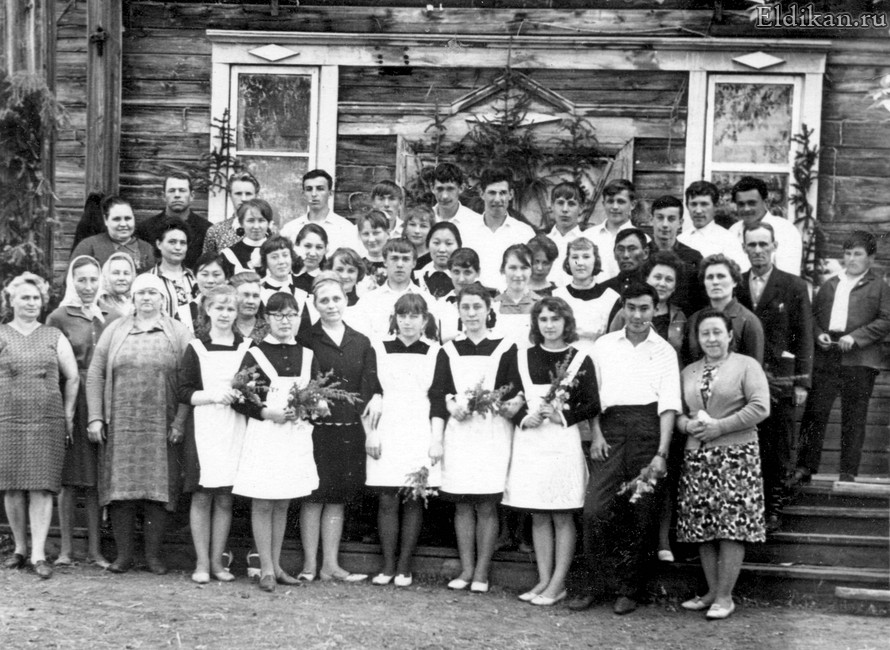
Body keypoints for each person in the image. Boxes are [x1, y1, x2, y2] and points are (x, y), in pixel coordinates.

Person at [569, 281, 680, 615]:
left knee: (641, 510)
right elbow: (593, 395)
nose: (637, 315)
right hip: (611, 429)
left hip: (648, 430)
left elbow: (669, 405)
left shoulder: (665, 351)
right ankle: (594, 585)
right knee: (595, 508)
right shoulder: (604, 345)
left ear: (655, 310)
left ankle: (630, 589)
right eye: (631, 308)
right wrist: (597, 435)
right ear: (623, 309)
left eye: (644, 308)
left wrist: (661, 453)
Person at [86, 273, 193, 575]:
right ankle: (124, 556)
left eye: (153, 293)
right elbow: (95, 374)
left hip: (162, 424)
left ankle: (153, 557)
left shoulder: (178, 331)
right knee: (121, 490)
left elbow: (189, 378)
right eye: (141, 292)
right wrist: (95, 417)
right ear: (133, 298)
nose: (147, 297)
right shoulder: (115, 329)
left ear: (163, 299)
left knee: (158, 490)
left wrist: (180, 421)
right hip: (121, 424)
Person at [502, 297, 599, 606]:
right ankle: (544, 580)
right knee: (539, 514)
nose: (549, 325)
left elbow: (593, 404)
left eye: (555, 319)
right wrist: (522, 417)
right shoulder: (521, 356)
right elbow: (506, 398)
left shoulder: (580, 358)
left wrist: (562, 416)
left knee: (561, 513)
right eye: (543, 319)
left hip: (562, 444)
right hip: (531, 443)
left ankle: (558, 583)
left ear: (566, 322)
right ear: (536, 323)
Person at [676, 310, 770, 620]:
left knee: (731, 525)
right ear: (697, 338)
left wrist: (721, 427)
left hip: (736, 456)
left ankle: (726, 597)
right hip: (698, 455)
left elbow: (760, 407)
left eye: (717, 332)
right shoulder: (688, 371)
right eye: (705, 333)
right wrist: (687, 426)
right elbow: (678, 412)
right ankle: (713, 592)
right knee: (702, 526)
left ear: (730, 335)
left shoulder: (747, 365)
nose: (711, 339)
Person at [429, 283, 519, 593]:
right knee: (463, 504)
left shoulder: (506, 346)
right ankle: (466, 569)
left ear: (488, 309)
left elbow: (513, 389)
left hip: (493, 432)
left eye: (477, 307)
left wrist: (496, 402)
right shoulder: (448, 349)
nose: (471, 313)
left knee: (486, 504)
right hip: (460, 433)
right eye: (465, 307)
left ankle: (482, 571)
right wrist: (452, 405)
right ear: (458, 310)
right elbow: (440, 392)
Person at [231, 292, 320, 591]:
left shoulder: (307, 355)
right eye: (278, 315)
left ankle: (277, 565)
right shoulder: (255, 353)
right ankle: (266, 569)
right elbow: (239, 398)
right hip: (265, 434)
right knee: (263, 500)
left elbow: (316, 395)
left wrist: (307, 409)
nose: (285, 321)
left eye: (291, 315)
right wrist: (267, 412)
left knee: (282, 501)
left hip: (293, 436)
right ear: (267, 318)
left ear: (298, 318)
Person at [299, 272, 383, 583]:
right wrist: (313, 398)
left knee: (336, 498)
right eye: (324, 300)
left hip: (349, 430)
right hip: (316, 430)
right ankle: (309, 565)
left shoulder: (361, 341)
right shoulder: (306, 339)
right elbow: (301, 380)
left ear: (346, 300)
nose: (331, 305)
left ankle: (330, 565)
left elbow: (369, 385)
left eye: (336, 298)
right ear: (315, 304)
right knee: (313, 497)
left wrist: (374, 401)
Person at [793, 230, 890, 483]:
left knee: (854, 417)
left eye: (858, 254)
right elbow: (812, 317)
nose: (851, 259)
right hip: (828, 355)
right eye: (848, 254)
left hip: (860, 359)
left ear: (871, 258)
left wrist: (856, 337)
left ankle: (848, 472)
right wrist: (819, 335)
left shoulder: (880, 287)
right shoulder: (830, 284)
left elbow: (886, 320)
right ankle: (805, 467)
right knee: (815, 411)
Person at [0, 273, 79, 579]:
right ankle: (20, 549)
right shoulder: (2, 334)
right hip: (7, 419)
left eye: (36, 298)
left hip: (47, 420)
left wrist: (68, 414)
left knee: (42, 486)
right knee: (12, 486)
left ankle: (38, 554)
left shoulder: (53, 336)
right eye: (25, 297)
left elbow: (72, 376)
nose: (31, 303)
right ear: (12, 300)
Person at [736, 222, 813, 527]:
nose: (758, 250)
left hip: (780, 378)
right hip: (743, 375)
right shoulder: (737, 284)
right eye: (752, 245)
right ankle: (748, 505)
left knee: (778, 442)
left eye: (763, 244)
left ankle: (773, 507)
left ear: (774, 246)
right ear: (744, 248)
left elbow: (804, 334)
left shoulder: (793, 286)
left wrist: (802, 382)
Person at [178, 285, 252, 584]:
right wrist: (212, 395)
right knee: (201, 496)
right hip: (204, 428)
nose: (224, 314)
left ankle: (218, 562)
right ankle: (201, 564)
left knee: (224, 498)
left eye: (230, 308)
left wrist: (241, 395)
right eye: (219, 308)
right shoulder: (196, 347)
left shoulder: (247, 347)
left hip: (235, 427)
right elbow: (184, 391)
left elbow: (255, 390)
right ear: (207, 310)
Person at [365, 294, 440, 587]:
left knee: (413, 497)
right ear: (395, 318)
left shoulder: (435, 351)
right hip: (387, 426)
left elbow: (437, 397)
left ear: (424, 320)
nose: (408, 322)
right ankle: (387, 566)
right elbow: (372, 390)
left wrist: (435, 439)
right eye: (403, 315)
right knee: (387, 498)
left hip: (419, 428)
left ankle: (404, 567)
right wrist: (372, 432)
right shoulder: (379, 347)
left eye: (414, 316)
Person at [47, 257, 115, 569]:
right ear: (72, 282)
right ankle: (65, 549)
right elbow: (51, 361)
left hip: (101, 399)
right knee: (68, 478)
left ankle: (95, 551)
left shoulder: (112, 316)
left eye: (93, 280)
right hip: (70, 398)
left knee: (95, 479)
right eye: (81, 280)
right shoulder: (59, 316)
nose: (88, 287)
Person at [462, 167, 536, 289]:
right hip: (473, 297)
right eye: (492, 193)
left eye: (503, 193)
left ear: (511, 195)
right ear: (481, 194)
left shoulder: (525, 233)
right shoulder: (465, 230)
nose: (497, 199)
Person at [686, 254, 764, 365]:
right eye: (710, 277)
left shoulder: (748, 321)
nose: (715, 282)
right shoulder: (694, 320)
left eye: (721, 276)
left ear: (734, 281)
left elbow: (754, 367)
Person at [352, 238, 434, 343]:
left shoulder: (427, 299)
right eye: (394, 258)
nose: (399, 264)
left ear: (414, 263)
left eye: (405, 259)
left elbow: (431, 338)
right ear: (385, 261)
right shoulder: (368, 300)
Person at [610, 251, 687, 354]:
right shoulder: (625, 313)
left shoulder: (679, 317)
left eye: (669, 279)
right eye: (657, 277)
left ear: (675, 287)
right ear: (646, 279)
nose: (662, 283)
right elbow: (610, 345)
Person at [553, 237, 620, 354]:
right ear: (568, 262)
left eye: (586, 257)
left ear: (595, 261)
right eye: (575, 257)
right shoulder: (557, 296)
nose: (580, 263)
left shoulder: (611, 297)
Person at [728, 176, 802, 276]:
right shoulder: (733, 230)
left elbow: (788, 278)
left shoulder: (785, 230)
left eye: (752, 203)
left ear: (766, 202)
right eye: (741, 204)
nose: (746, 209)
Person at [136, 171, 209, 269]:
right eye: (172, 190)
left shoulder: (206, 229)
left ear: (192, 196)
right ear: (163, 196)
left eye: (182, 190)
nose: (177, 195)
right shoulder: (145, 228)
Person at [649, 195, 706, 314]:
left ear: (680, 223)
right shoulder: (641, 254)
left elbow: (700, 300)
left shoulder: (693, 258)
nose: (665, 224)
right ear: (651, 219)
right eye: (660, 218)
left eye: (671, 219)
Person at [280, 169, 360, 254]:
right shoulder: (290, 229)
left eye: (320, 189)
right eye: (309, 189)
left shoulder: (346, 228)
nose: (314, 194)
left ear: (330, 193)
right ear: (303, 194)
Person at [677, 181, 748, 271]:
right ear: (687, 206)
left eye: (704, 204)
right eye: (693, 204)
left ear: (715, 206)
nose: (698, 211)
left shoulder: (728, 240)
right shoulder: (680, 239)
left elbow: (740, 273)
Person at [72, 196, 155, 272]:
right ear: (106, 220)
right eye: (117, 219)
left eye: (128, 218)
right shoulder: (88, 246)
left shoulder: (147, 248)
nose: (123, 224)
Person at [145, 218, 198, 319]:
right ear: (159, 244)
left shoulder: (196, 278)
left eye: (183, 243)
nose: (178, 247)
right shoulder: (148, 279)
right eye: (172, 242)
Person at [491, 244, 540, 349]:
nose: (518, 274)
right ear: (503, 269)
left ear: (531, 270)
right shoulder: (493, 305)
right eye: (513, 268)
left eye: (524, 268)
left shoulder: (541, 305)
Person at [587, 179, 637, 281]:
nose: (615, 207)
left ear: (632, 205)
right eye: (610, 201)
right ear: (603, 204)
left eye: (621, 202)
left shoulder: (641, 238)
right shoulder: (588, 236)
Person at [258, 235, 312, 329]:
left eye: (285, 255)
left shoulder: (302, 294)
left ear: (291, 258)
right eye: (274, 257)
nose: (281, 261)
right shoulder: (258, 294)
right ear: (265, 262)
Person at [545, 181, 593, 287]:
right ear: (552, 206)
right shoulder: (543, 243)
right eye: (560, 203)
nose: (565, 209)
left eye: (571, 204)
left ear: (581, 208)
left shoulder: (589, 243)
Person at [203, 171, 261, 256]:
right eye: (238, 193)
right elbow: (207, 263)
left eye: (248, 194)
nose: (243, 198)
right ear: (230, 195)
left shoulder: (265, 230)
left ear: (256, 196)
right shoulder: (216, 231)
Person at [178, 252, 230, 338]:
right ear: (195, 277)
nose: (210, 280)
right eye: (204, 274)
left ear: (226, 278)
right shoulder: (184, 313)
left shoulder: (235, 308)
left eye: (216, 275)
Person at [218, 198, 273, 277]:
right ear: (241, 223)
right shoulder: (229, 254)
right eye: (250, 220)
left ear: (269, 223)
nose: (256, 226)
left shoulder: (279, 250)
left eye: (261, 220)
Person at [431, 162, 482, 229]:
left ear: (461, 188)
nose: (445, 196)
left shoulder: (476, 222)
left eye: (450, 189)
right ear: (432, 188)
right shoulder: (423, 219)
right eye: (440, 189)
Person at [418, 221, 461, 299]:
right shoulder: (416, 276)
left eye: (449, 243)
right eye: (436, 243)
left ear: (458, 246)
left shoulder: (465, 279)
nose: (442, 250)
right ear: (428, 245)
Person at [326, 247, 367, 322]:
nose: (344, 276)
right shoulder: (322, 303)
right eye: (339, 270)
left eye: (351, 271)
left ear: (358, 273)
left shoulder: (364, 304)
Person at [97, 251, 137, 319]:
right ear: (106, 275)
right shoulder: (98, 302)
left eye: (126, 273)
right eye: (116, 273)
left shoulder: (139, 301)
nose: (121, 278)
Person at [230, 271, 269, 343]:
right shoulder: (224, 327)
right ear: (233, 297)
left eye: (255, 296)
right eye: (246, 295)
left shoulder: (270, 330)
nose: (251, 301)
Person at [357, 210, 391, 285]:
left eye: (376, 233)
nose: (371, 239)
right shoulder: (358, 266)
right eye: (366, 234)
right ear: (359, 235)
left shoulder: (396, 264)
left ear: (388, 233)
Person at [293, 223, 329, 294]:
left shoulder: (328, 280)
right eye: (307, 246)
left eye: (319, 247)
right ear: (297, 245)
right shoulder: (287, 276)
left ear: (325, 249)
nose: (312, 253)